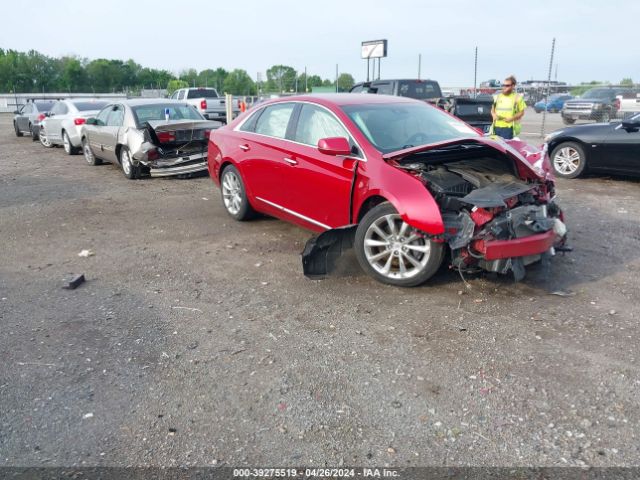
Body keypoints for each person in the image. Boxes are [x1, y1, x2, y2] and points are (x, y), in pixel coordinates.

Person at [491, 75, 526, 139]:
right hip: (496, 127)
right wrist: (493, 115)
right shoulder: (497, 97)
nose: (504, 87)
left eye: (507, 85)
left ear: (513, 86)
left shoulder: (517, 98)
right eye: (503, 85)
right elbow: (492, 109)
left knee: (506, 147)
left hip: (508, 128)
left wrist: (512, 118)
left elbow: (522, 113)